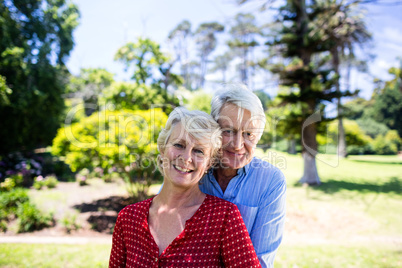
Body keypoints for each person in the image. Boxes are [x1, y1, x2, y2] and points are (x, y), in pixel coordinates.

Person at [109, 107, 261, 267]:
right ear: (162, 148)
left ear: (209, 163)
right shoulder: (128, 219)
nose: (187, 158)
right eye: (179, 145)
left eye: (199, 151)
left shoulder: (224, 218)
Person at [199, 84, 287, 268]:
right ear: (213, 130)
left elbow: (260, 262)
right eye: (228, 131)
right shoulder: (194, 169)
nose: (238, 144)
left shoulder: (270, 181)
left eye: (248, 134)